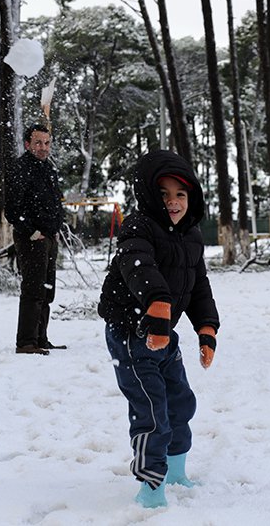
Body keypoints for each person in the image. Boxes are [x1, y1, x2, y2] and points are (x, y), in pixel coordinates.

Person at [98, 149, 220, 509]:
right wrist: (157, 304)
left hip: (165, 333)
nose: (173, 202)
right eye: (164, 194)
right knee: (152, 410)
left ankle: (176, 470)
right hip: (131, 333)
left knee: (180, 402)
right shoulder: (138, 227)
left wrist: (207, 328)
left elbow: (199, 286)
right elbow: (139, 266)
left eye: (180, 194)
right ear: (150, 195)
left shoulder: (191, 235)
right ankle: (151, 488)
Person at [4, 123, 66, 355]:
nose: (43, 147)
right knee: (33, 291)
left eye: (47, 143)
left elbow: (54, 202)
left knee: (47, 291)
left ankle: (41, 338)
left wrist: (55, 227)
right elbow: (12, 209)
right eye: (38, 142)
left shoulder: (48, 169)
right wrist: (32, 232)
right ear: (27, 144)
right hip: (32, 239)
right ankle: (26, 342)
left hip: (49, 238)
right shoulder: (21, 169)